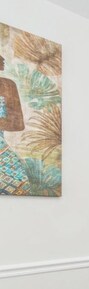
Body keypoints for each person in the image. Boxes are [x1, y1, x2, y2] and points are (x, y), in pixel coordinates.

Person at [0, 53, 30, 195]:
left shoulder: (7, 85)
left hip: (2, 150)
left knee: (21, 186)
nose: (3, 59)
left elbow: (18, 123)